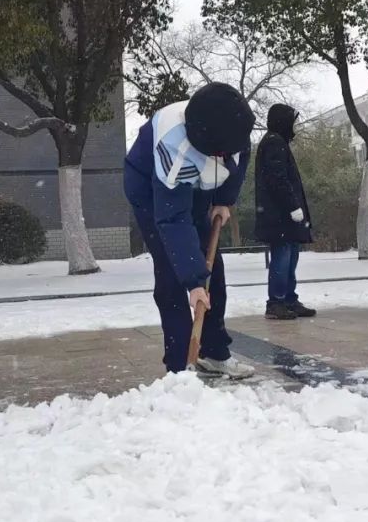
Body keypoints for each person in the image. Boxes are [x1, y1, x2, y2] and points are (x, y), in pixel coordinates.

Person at [124, 82, 255, 378]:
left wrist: (223, 200)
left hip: (197, 187)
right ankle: (180, 365)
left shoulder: (232, 126)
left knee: (213, 269)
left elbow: (241, 157)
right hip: (150, 189)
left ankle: (214, 352)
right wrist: (194, 282)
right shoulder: (175, 150)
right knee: (174, 272)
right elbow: (172, 219)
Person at [254, 103, 315, 320]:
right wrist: (292, 206)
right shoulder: (274, 143)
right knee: (282, 257)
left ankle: (288, 298)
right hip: (279, 215)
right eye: (291, 120)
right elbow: (277, 179)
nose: (293, 125)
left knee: (290, 256)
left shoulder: (276, 142)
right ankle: (277, 301)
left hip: (282, 215)